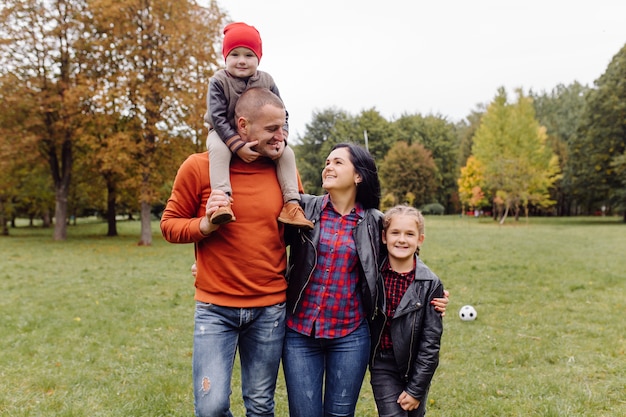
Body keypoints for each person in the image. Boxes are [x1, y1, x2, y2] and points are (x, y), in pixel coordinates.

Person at [281, 143, 449, 417]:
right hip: (300, 333)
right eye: (327, 162)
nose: (328, 167)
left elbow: (402, 262)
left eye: (337, 162)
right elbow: (266, 245)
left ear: (358, 175)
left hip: (350, 336)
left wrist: (433, 292)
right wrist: (211, 263)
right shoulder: (304, 209)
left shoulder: (374, 223)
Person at [161, 87, 294, 417]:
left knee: (261, 405)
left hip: (269, 309)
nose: (282, 136)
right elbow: (169, 225)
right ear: (243, 125)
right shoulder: (197, 167)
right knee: (211, 407)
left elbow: (294, 233)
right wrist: (204, 227)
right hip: (215, 309)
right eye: (272, 129)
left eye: (284, 126)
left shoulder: (282, 171)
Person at [204, 21, 312, 229]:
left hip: (260, 134)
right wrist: (237, 145)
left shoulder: (267, 81)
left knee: (287, 154)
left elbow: (283, 112)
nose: (242, 61)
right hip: (222, 131)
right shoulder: (218, 81)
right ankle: (222, 200)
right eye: (235, 55)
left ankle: (291, 204)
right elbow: (217, 117)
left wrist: (283, 137)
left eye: (249, 55)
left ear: (258, 58)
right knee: (219, 150)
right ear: (225, 57)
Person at [369, 205, 444, 417]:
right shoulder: (373, 275)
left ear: (420, 239)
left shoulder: (430, 283)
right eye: (395, 232)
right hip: (383, 362)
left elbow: (431, 343)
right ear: (384, 237)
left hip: (416, 366)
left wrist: (416, 389)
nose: (402, 239)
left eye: (409, 234)